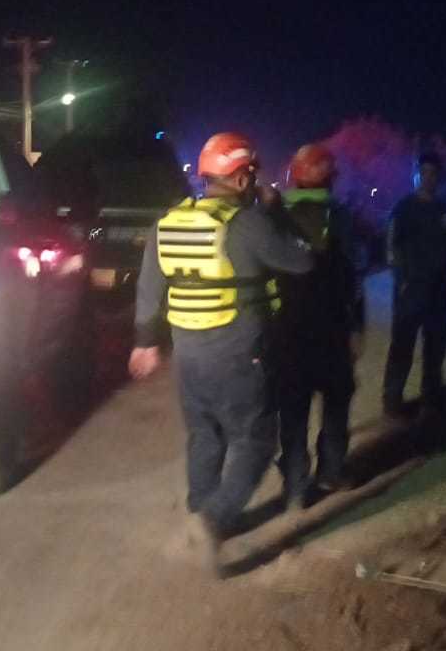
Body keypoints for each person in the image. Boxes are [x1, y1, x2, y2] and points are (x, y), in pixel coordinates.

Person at [129, 131, 313, 574]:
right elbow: (303, 260)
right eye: (252, 175)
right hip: (238, 354)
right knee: (255, 441)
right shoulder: (248, 223)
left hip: (188, 354)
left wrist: (145, 341)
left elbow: (149, 286)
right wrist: (277, 213)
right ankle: (212, 521)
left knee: (204, 435)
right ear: (242, 177)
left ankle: (199, 509)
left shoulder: (169, 221)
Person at [274, 144, 365, 509]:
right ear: (330, 179)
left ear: (294, 175)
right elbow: (353, 276)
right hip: (332, 328)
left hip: (287, 329)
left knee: (292, 411)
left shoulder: (275, 214)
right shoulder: (340, 216)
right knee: (336, 402)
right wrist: (357, 327)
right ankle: (331, 471)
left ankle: (295, 487)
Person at [383, 152, 446, 419]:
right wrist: (402, 280)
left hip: (439, 290)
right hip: (411, 290)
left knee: (435, 347)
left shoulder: (444, 209)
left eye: (433, 173)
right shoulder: (403, 208)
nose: (428, 178)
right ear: (415, 175)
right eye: (423, 172)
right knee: (402, 347)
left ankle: (431, 398)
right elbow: (391, 247)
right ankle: (392, 400)